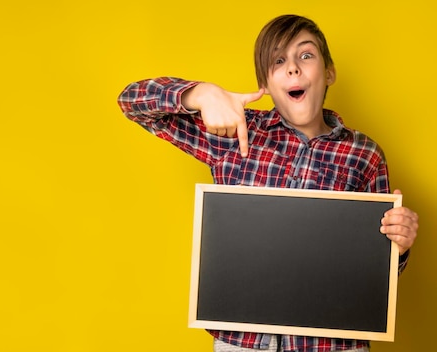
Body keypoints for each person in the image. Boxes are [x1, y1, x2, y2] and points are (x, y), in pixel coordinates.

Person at [116, 14, 419, 352]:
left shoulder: (364, 154)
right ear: (265, 82)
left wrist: (399, 245)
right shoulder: (235, 132)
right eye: (278, 61)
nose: (293, 68)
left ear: (329, 72)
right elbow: (132, 103)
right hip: (245, 343)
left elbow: (378, 278)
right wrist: (200, 95)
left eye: (305, 55)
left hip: (332, 344)